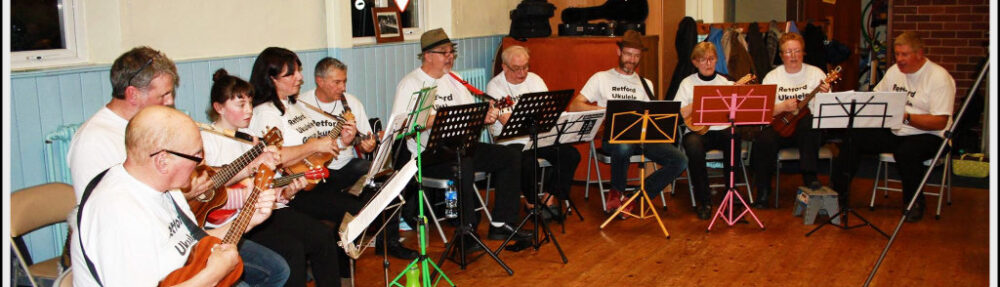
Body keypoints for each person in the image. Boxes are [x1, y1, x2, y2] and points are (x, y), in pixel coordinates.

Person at [66, 47, 287, 287]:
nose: (200, 163)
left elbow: (192, 242)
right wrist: (212, 274)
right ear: (161, 160)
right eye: (195, 157)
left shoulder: (167, 186)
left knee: (271, 269)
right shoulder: (116, 205)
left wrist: (249, 219)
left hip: (181, 268)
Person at [391, 28, 531, 249]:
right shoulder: (411, 84)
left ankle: (501, 222)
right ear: (427, 55)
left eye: (451, 52)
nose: (450, 57)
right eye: (444, 52)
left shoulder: (454, 79)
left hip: (460, 147)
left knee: (510, 155)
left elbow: (469, 114)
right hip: (428, 154)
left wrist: (483, 116)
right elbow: (400, 127)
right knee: (462, 165)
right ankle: (466, 231)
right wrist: (434, 120)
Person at [246, 47, 367, 285]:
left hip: (312, 179)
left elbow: (316, 154)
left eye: (298, 71)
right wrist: (314, 146)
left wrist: (341, 142)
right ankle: (340, 272)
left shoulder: (295, 105)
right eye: (291, 74)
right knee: (345, 213)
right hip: (289, 190)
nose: (300, 77)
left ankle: (341, 271)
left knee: (359, 206)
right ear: (271, 79)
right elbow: (274, 157)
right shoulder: (265, 114)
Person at [298, 58, 418, 260]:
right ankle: (343, 237)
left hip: (345, 164)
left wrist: (367, 144)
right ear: (319, 80)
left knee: (386, 178)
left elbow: (365, 139)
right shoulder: (302, 104)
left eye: (344, 81)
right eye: (337, 82)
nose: (342, 87)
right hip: (313, 169)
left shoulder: (352, 103)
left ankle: (388, 242)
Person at [831, 31, 955, 222]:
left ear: (919, 54)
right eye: (897, 54)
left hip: (931, 135)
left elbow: (940, 122)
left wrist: (905, 117)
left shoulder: (939, 77)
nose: (899, 59)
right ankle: (837, 194)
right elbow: (876, 99)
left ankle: (913, 201)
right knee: (853, 136)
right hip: (896, 130)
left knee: (907, 152)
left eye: (904, 55)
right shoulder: (894, 72)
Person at [567, 30, 688, 216]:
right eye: (628, 54)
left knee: (680, 160)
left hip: (642, 138)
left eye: (637, 56)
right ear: (619, 52)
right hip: (614, 138)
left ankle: (637, 198)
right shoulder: (601, 78)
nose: (632, 59)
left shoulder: (645, 83)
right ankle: (616, 193)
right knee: (623, 146)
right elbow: (575, 106)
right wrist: (606, 111)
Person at [485, 45, 581, 219]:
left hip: (537, 136)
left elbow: (548, 111)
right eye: (517, 69)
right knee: (528, 162)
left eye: (526, 67)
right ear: (504, 67)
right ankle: (531, 203)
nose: (522, 73)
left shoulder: (535, 80)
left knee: (570, 154)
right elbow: (508, 121)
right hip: (509, 140)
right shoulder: (495, 86)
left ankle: (548, 199)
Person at [749, 32, 831, 208]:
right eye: (788, 52)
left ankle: (810, 178)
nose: (793, 56)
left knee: (808, 121)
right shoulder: (772, 77)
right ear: (781, 55)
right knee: (763, 140)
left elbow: (827, 112)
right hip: (781, 127)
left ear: (803, 53)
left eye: (797, 51)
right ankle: (763, 192)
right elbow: (762, 111)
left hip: (807, 131)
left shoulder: (816, 73)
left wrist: (824, 96)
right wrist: (782, 107)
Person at [675, 42, 736, 220]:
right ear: (695, 62)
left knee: (734, 136)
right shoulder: (687, 83)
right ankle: (705, 200)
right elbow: (677, 114)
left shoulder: (725, 82)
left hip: (721, 129)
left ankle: (731, 195)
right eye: (702, 60)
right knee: (692, 145)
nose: (708, 63)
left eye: (711, 59)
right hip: (697, 132)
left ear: (716, 60)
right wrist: (697, 103)